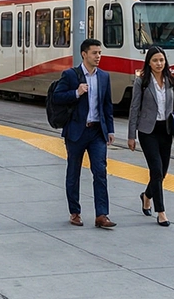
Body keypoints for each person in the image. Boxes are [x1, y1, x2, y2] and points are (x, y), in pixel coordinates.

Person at [51, 38, 116, 229]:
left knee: (100, 172)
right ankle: (75, 212)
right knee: (74, 172)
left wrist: (110, 129)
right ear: (84, 54)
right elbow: (57, 97)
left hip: (97, 132)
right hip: (76, 132)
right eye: (95, 53)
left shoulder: (104, 77)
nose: (98, 56)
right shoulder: (71, 75)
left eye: (100, 53)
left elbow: (107, 105)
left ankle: (102, 215)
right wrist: (76, 93)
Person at [127, 46, 174, 226]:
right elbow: (134, 108)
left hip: (166, 130)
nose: (159, 64)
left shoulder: (172, 80)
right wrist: (131, 136)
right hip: (147, 131)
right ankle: (161, 212)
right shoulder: (142, 82)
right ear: (149, 63)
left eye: (161, 60)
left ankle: (146, 195)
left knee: (163, 172)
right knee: (156, 170)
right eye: (155, 60)